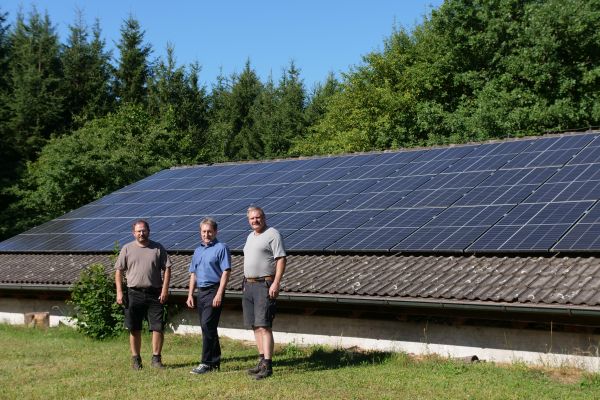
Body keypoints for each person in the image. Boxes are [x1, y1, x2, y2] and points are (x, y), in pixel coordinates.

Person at [115, 219, 172, 370]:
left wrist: (165, 289)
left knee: (157, 327)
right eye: (138, 231)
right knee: (134, 328)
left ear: (149, 231)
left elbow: (167, 269)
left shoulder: (158, 248)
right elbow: (119, 271)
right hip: (134, 293)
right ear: (133, 233)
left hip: (155, 294)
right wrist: (119, 292)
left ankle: (156, 359)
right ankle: (136, 359)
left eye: (144, 230)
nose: (141, 233)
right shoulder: (127, 249)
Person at [243, 206, 287, 380]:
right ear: (249, 220)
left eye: (258, 217)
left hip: (264, 284)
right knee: (255, 325)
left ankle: (268, 365)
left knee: (264, 325)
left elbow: (281, 259)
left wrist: (276, 282)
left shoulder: (273, 234)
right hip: (249, 285)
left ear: (264, 217)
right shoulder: (250, 236)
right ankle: (261, 360)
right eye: (252, 218)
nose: (255, 220)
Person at [186, 217, 232, 374]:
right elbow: (193, 274)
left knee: (207, 325)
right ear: (200, 232)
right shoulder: (197, 251)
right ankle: (215, 362)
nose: (206, 234)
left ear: (215, 232)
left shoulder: (221, 248)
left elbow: (226, 271)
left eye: (209, 231)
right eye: (204, 231)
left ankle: (206, 363)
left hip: (214, 290)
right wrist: (190, 294)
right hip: (201, 292)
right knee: (208, 328)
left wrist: (219, 293)